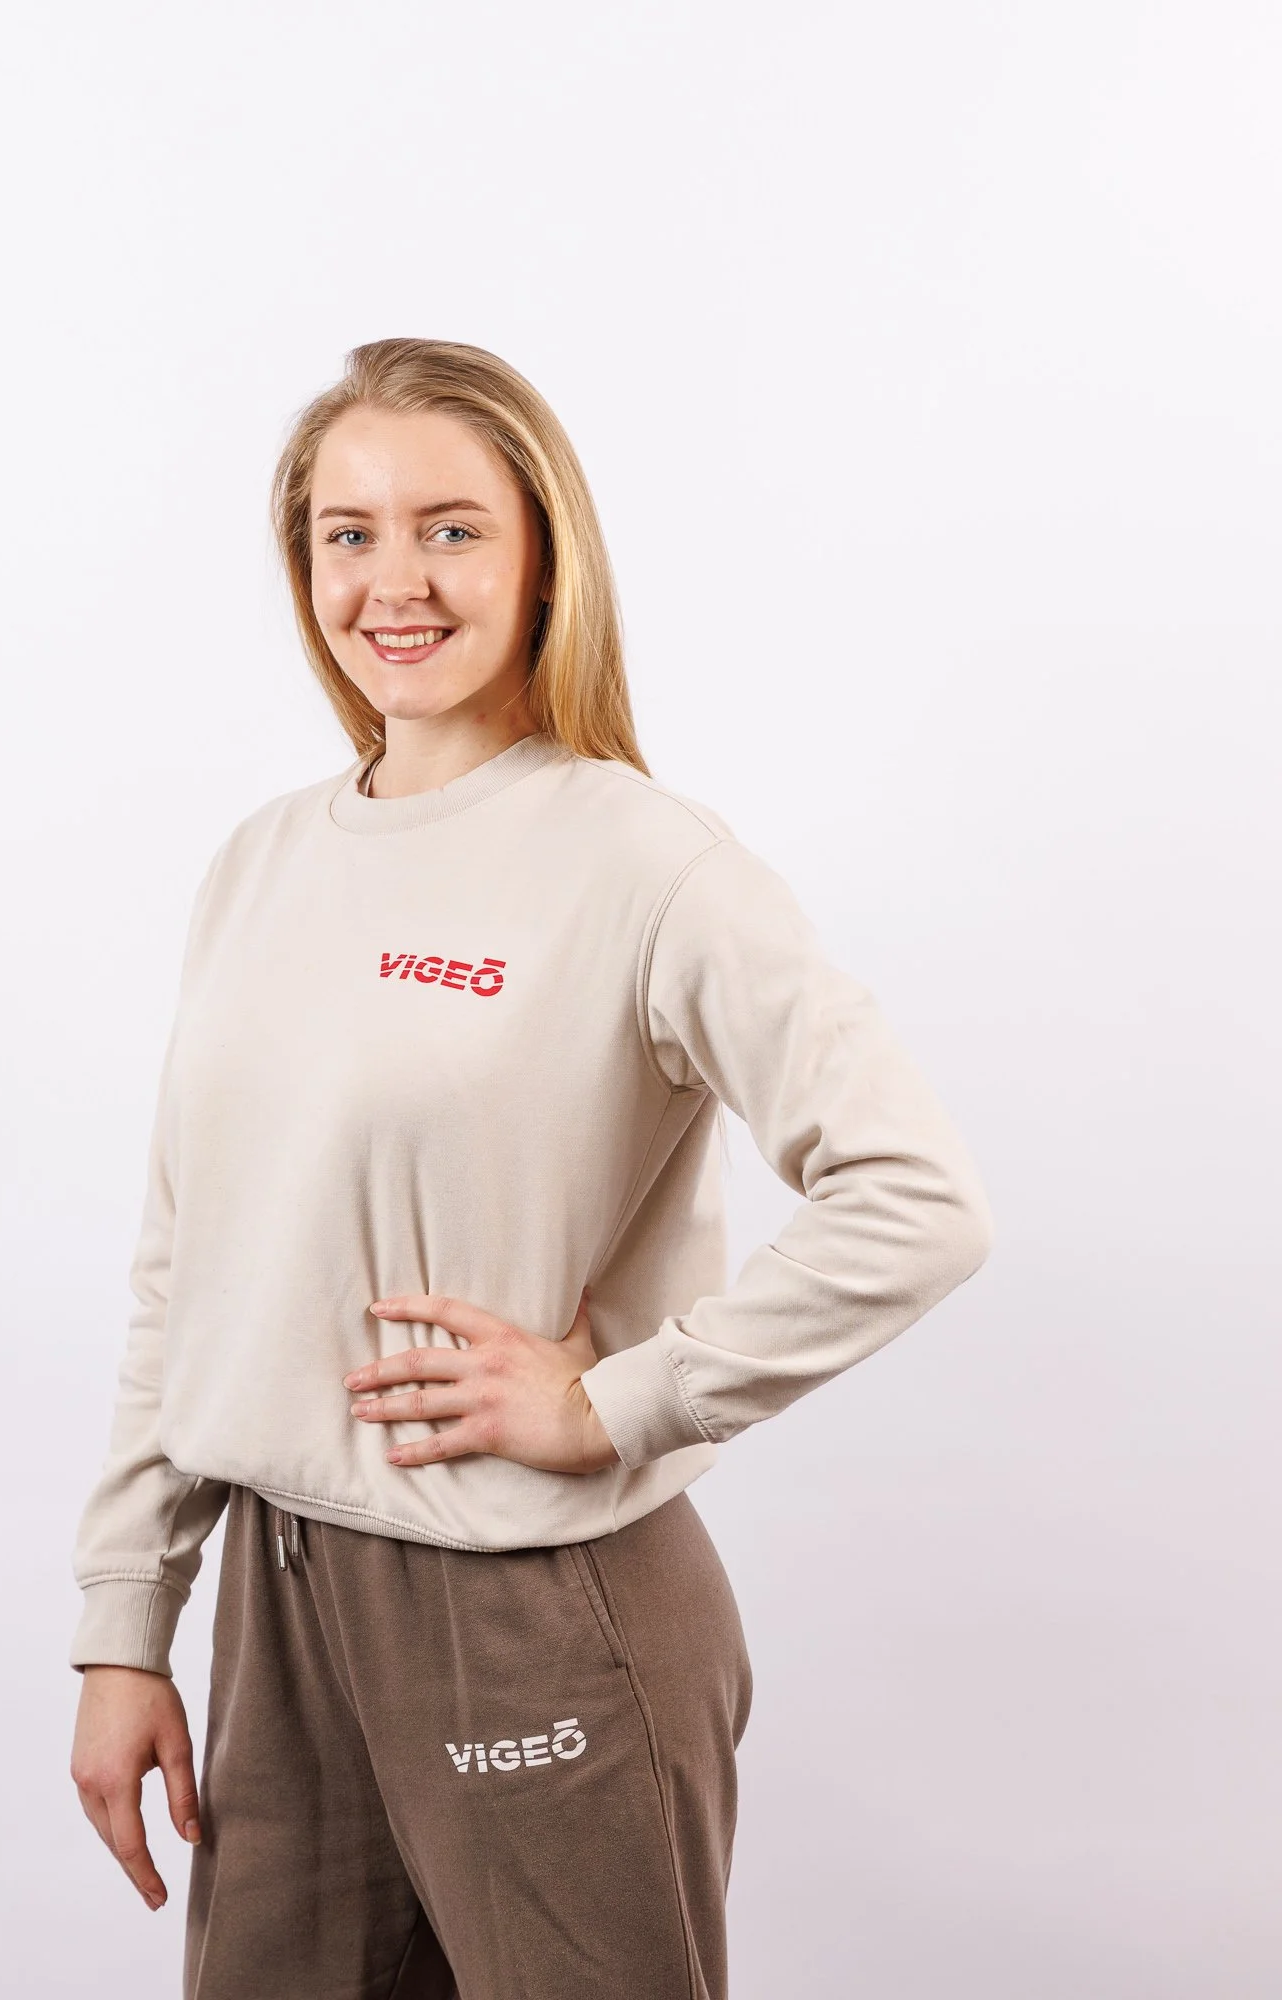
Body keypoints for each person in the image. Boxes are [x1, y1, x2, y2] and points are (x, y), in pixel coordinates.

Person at [66, 337, 993, 2000]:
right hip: (280, 1604)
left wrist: (623, 1398)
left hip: (535, 1605)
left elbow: (917, 1198)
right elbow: (185, 1260)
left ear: (545, 556)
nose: (396, 581)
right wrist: (126, 1622)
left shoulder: (646, 863)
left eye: (452, 528)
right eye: (348, 534)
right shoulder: (261, 862)